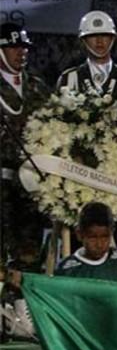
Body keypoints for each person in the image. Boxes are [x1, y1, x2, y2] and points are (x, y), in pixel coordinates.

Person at [4, 202, 117, 294]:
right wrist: (25, 281)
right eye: (93, 237)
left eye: (104, 237)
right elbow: (50, 292)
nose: (99, 243)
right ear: (80, 235)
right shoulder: (67, 268)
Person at [0, 22, 49, 275]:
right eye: (14, 48)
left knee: (30, 257)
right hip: (2, 182)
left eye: (24, 48)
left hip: (30, 185)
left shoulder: (38, 86)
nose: (21, 53)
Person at [56, 11, 117, 120]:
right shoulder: (68, 78)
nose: (99, 41)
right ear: (83, 40)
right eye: (93, 36)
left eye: (105, 35)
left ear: (113, 38)